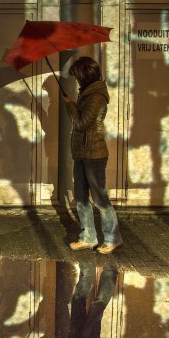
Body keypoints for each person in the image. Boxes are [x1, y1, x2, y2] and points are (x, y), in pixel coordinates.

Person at [62, 56, 122, 254]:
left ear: (85, 76)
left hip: (94, 154)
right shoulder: (87, 93)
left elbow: (81, 122)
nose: (76, 81)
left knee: (99, 198)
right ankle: (88, 237)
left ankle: (113, 238)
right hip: (82, 152)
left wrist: (69, 104)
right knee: (80, 197)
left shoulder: (96, 96)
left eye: (78, 77)